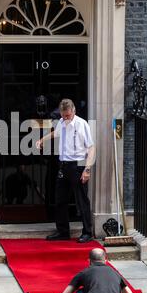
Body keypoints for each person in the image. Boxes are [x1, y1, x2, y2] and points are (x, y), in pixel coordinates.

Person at [36, 98, 96, 242]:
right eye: (63, 116)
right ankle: (63, 231)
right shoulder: (61, 122)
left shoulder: (82, 124)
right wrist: (42, 140)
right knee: (60, 200)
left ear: (73, 111)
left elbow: (91, 147)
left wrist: (87, 169)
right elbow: (55, 133)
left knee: (81, 201)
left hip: (78, 165)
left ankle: (87, 232)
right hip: (64, 165)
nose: (65, 118)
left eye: (68, 115)